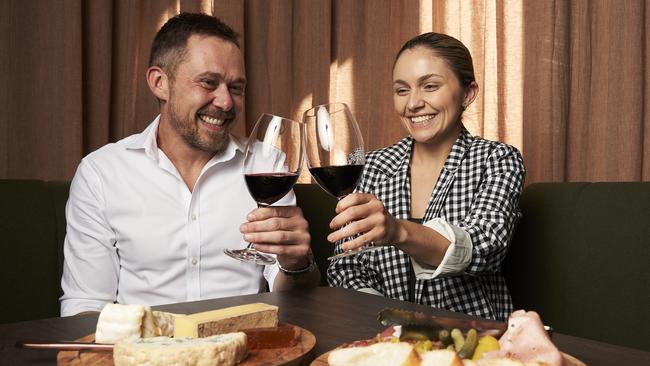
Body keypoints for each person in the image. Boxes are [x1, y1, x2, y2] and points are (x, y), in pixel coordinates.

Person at [60, 13, 319, 317]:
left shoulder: (267, 163)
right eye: (208, 83)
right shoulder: (101, 173)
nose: (225, 102)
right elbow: (85, 307)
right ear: (160, 83)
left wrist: (297, 264)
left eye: (236, 88)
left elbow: (294, 296)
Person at [327, 32, 525, 321]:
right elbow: (345, 268)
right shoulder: (371, 166)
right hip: (384, 342)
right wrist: (388, 326)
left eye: (430, 86)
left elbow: (485, 246)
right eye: (402, 90)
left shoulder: (496, 159)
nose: (413, 103)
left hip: (475, 339)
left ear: (468, 93)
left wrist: (397, 231)